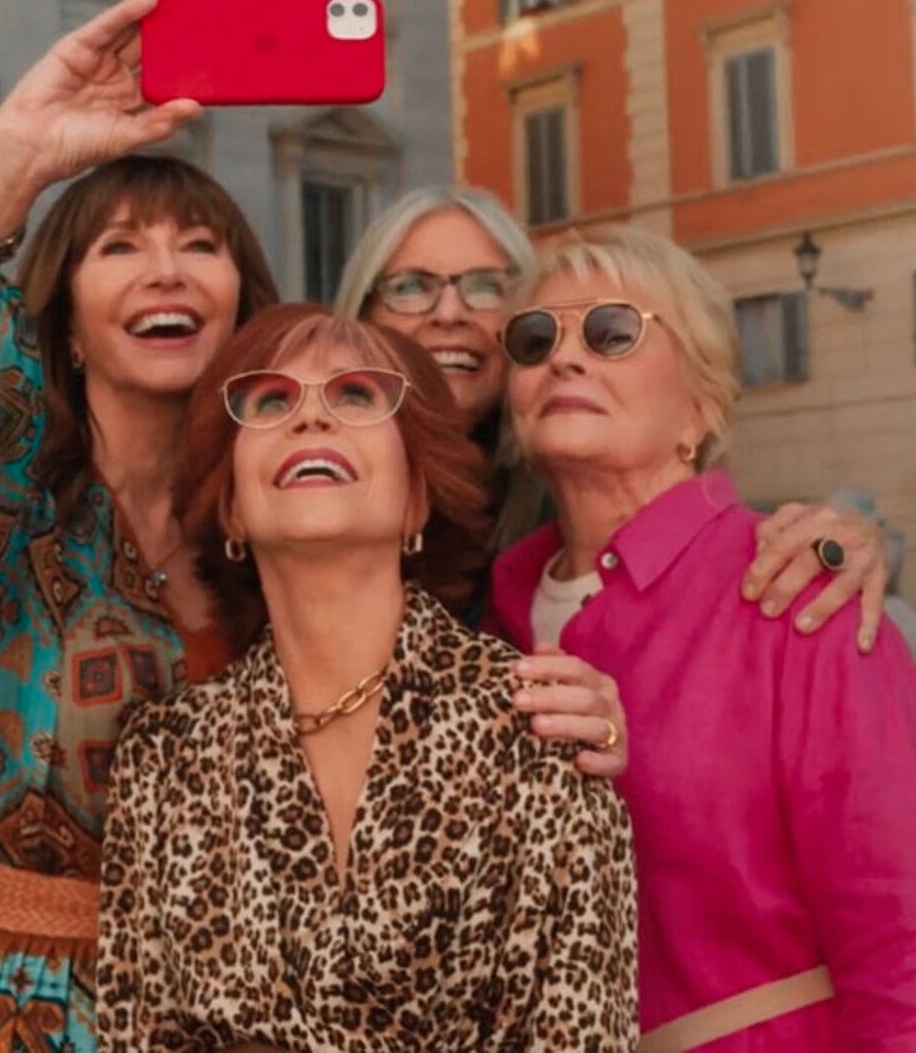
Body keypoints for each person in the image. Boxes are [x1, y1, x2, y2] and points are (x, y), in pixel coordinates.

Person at [0, 0, 625, 1053]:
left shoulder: (285, 540)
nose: (166, 268)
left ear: (244, 298)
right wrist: (9, 164)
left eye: (198, 244)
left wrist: (594, 707)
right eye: (120, 245)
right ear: (64, 312)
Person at [97, 304, 636, 1051]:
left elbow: (579, 1034)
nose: (312, 417)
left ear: (417, 494)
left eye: (355, 394)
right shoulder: (162, 757)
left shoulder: (538, 727)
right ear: (230, 507)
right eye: (271, 401)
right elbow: (138, 1032)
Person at [485, 227, 916, 1051]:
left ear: (702, 403)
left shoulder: (796, 597)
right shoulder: (496, 619)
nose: (565, 358)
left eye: (611, 331)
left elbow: (900, 958)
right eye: (536, 338)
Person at [332, 188, 894, 649]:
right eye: (409, 287)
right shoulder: (301, 489)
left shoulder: (563, 516)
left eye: (486, 287)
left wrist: (849, 539)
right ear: (359, 318)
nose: (448, 312)